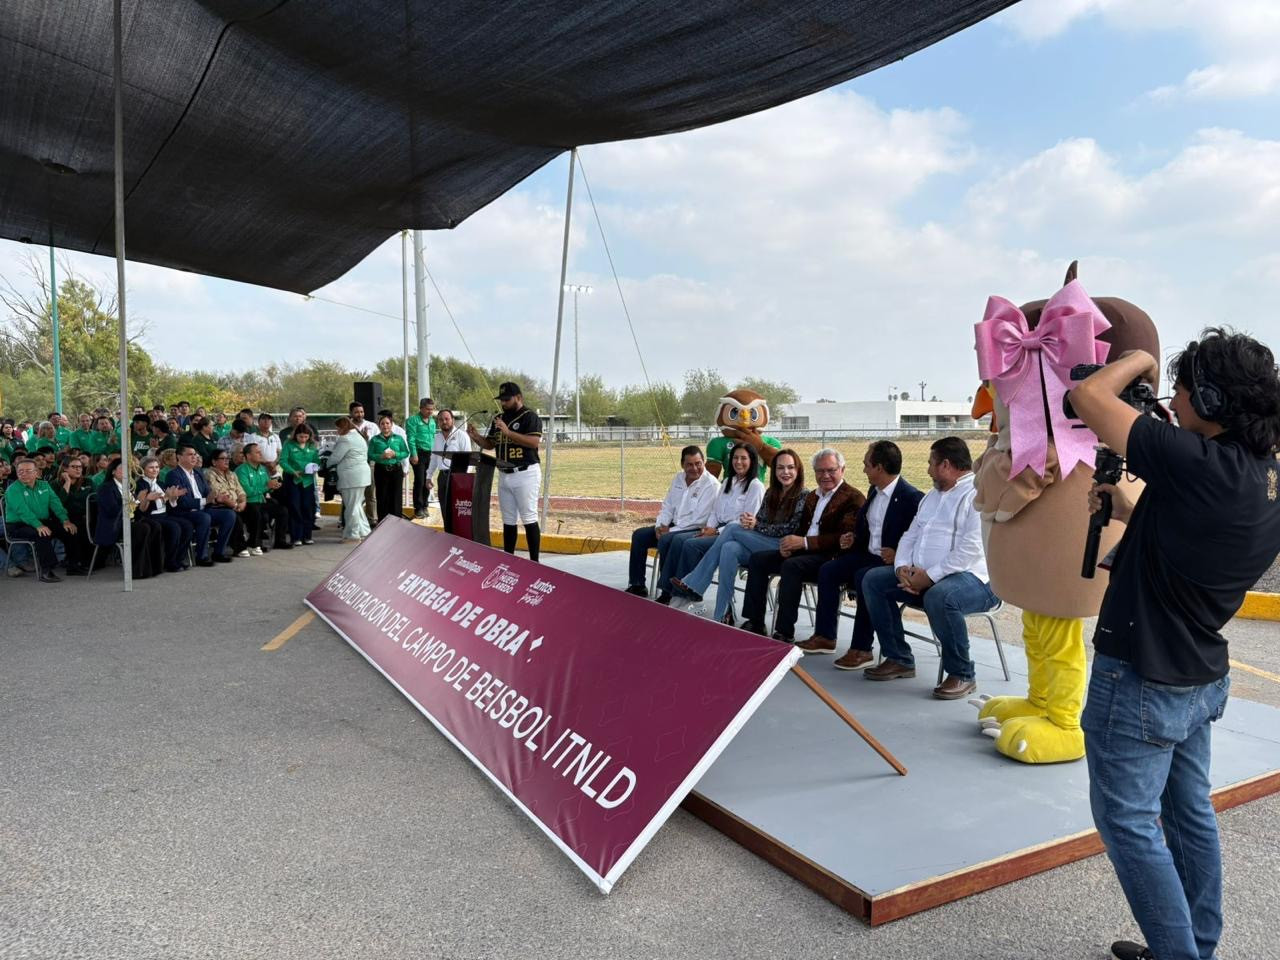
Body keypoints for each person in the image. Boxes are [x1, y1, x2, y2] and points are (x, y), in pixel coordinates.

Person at [1067, 329, 1280, 960]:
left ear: (1210, 398)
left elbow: (1087, 396)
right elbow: (1196, 528)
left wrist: (1138, 362)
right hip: (1195, 673)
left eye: (1180, 392)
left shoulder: (1195, 462)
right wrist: (1131, 510)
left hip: (1141, 675)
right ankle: (1196, 947)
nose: (1173, 403)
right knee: (1188, 817)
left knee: (1128, 824)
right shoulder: (1259, 473)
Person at [860, 437, 996, 699]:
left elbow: (971, 549)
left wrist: (930, 578)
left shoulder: (976, 494)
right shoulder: (931, 497)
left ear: (946, 464)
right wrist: (902, 568)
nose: (927, 470)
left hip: (975, 580)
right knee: (874, 580)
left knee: (941, 596)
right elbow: (910, 535)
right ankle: (899, 658)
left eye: (930, 463)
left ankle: (962, 673)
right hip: (922, 577)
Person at [797, 440, 924, 664]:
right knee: (829, 570)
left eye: (867, 464)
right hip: (867, 554)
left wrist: (899, 555)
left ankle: (861, 648)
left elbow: (921, 538)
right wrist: (853, 538)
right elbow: (869, 529)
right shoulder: (874, 491)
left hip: (890, 562)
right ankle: (825, 636)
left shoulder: (911, 498)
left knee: (864, 577)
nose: (864, 469)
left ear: (880, 467)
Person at [739, 448, 865, 641]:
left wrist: (803, 542)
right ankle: (755, 622)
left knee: (792, 566)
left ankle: (784, 631)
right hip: (804, 551)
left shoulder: (852, 497)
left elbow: (841, 538)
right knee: (758, 560)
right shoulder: (813, 496)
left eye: (831, 470)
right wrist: (788, 544)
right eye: (820, 471)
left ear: (842, 470)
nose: (825, 476)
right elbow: (801, 529)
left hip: (829, 556)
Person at [669, 448, 807, 625]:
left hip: (783, 547)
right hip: (762, 543)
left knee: (733, 528)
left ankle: (696, 581)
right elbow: (762, 521)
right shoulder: (772, 492)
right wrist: (752, 523)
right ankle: (723, 613)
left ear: (798, 470)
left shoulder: (803, 495)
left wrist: (757, 525)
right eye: (780, 468)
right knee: (729, 548)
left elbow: (790, 529)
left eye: (790, 468)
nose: (785, 472)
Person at [624, 444, 719, 602]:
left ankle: (667, 592)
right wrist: (660, 526)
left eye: (698, 464)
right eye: (689, 464)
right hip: (672, 526)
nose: (694, 468)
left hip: (692, 529)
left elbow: (699, 519)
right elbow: (667, 506)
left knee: (669, 540)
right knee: (639, 535)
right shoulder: (678, 478)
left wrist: (670, 531)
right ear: (682, 464)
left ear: (704, 462)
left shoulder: (711, 485)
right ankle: (637, 584)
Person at [466, 382, 544, 561]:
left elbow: (533, 442)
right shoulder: (499, 418)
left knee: (529, 516)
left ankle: (535, 561)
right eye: (501, 400)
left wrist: (508, 433)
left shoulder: (529, 416)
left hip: (525, 472)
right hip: (504, 473)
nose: (503, 403)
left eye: (507, 399)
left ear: (519, 397)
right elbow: (490, 444)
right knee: (508, 520)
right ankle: (508, 559)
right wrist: (476, 437)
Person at [669, 442, 764, 588]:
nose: (738, 462)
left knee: (691, 545)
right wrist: (708, 528)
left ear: (752, 461)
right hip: (716, 530)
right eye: (735, 458)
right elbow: (714, 511)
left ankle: (687, 589)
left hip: (735, 535)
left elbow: (745, 522)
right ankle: (677, 589)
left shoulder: (755, 486)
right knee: (681, 540)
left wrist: (717, 531)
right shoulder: (727, 481)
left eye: (743, 458)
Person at [3, 458, 81, 581]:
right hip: (17, 524)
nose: (23, 474)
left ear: (36, 472)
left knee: (70, 529)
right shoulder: (13, 489)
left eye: (28, 471)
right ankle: (46, 571)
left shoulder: (44, 485)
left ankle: (73, 565)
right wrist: (38, 525)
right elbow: (23, 511)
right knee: (41, 534)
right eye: (20, 471)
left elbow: (56, 503)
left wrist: (65, 520)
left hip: (40, 521)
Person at [166, 444, 236, 565]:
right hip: (184, 512)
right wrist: (206, 501)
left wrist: (216, 498)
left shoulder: (198, 473)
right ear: (179, 457)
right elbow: (182, 501)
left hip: (203, 509)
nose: (194, 457)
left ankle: (219, 552)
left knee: (229, 514)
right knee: (204, 517)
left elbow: (207, 493)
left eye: (195, 455)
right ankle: (201, 556)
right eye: (190, 454)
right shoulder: (174, 475)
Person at [94, 456, 164, 578]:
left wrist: (145, 501)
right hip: (113, 525)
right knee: (142, 528)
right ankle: (137, 570)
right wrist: (136, 501)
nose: (126, 472)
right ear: (113, 471)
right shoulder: (106, 488)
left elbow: (138, 512)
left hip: (129, 522)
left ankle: (153, 568)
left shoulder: (129, 487)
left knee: (154, 525)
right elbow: (113, 511)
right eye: (122, 469)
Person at [135, 456, 192, 571]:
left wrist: (173, 498)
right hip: (149, 517)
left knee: (187, 525)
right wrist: (164, 499)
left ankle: (178, 558)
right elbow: (143, 509)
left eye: (156, 467)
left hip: (164, 515)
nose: (155, 470)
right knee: (174, 527)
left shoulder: (161, 483)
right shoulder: (140, 485)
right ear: (143, 470)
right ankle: (169, 562)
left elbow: (169, 504)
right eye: (151, 467)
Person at [235, 442, 290, 552]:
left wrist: (273, 486)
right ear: (248, 456)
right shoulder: (241, 470)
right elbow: (247, 491)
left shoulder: (262, 469)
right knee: (257, 512)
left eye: (260, 452)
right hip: (248, 503)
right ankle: (255, 544)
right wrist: (266, 487)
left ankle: (280, 541)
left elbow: (267, 485)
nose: (261, 454)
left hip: (261, 501)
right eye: (258, 452)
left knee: (282, 510)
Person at [326, 417, 371, 542]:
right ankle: (364, 530)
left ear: (343, 427)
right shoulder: (359, 436)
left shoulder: (345, 439)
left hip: (351, 477)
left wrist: (325, 463)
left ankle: (353, 534)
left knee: (351, 506)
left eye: (338, 428)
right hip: (362, 475)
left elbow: (335, 457)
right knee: (357, 505)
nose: (337, 431)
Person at [428, 408, 471, 534]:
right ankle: (448, 536)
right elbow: (434, 459)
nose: (444, 422)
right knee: (445, 510)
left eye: (447, 419)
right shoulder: (437, 438)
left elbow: (469, 459)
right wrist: (428, 476)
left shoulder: (461, 436)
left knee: (458, 510)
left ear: (452, 420)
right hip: (443, 477)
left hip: (458, 478)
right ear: (438, 423)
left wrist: (464, 480)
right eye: (441, 420)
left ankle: (460, 537)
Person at [205, 450, 251, 557]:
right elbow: (219, 494)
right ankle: (239, 547)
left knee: (255, 510)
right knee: (234, 515)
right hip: (220, 506)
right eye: (223, 459)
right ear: (214, 462)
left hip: (236, 504)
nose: (226, 461)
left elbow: (240, 491)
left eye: (228, 459)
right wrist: (235, 505)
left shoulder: (232, 474)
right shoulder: (209, 474)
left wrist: (243, 502)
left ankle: (255, 544)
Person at [280, 423, 319, 545]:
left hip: (307, 481)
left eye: (305, 437)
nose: (303, 439)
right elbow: (283, 461)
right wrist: (292, 471)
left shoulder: (312, 445)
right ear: (296, 435)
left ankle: (307, 536)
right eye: (301, 437)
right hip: (293, 480)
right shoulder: (289, 444)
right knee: (295, 507)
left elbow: (317, 461)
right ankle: (296, 536)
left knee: (308, 507)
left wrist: (315, 468)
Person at [368, 414, 410, 524]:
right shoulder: (374, 440)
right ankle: (382, 523)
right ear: (379, 426)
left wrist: (396, 454)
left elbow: (406, 452)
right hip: (381, 470)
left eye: (387, 423)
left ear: (391, 425)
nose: (385, 426)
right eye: (382, 423)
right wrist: (380, 456)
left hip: (396, 470)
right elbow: (370, 454)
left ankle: (396, 523)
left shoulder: (398, 438)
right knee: (382, 497)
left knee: (396, 497)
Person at [406, 397, 437, 519]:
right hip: (418, 453)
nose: (430, 412)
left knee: (428, 480)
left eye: (432, 409)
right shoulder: (413, 420)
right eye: (428, 409)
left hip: (430, 453)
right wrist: (414, 454)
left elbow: (433, 437)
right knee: (419, 480)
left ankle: (425, 505)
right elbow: (411, 438)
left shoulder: (432, 421)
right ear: (421, 408)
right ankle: (418, 507)